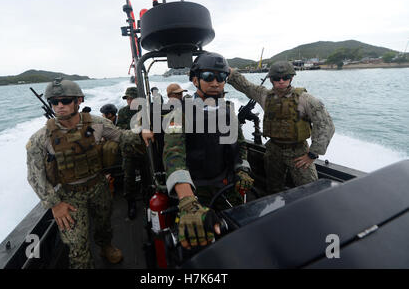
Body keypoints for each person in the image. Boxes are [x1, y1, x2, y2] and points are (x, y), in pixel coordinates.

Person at [26, 78, 152, 268]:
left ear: (79, 101)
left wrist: (141, 134)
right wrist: (55, 204)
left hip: (98, 186)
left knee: (104, 225)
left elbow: (121, 136)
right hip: (69, 195)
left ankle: (106, 246)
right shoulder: (41, 138)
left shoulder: (96, 124)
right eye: (55, 102)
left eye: (66, 100)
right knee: (77, 245)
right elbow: (35, 176)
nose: (60, 106)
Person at [161, 52, 254, 250]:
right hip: (194, 193)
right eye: (208, 77)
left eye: (221, 77)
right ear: (195, 80)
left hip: (227, 186)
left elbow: (240, 146)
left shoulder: (228, 110)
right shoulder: (177, 115)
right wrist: (187, 202)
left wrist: (242, 169)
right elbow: (173, 155)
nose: (215, 83)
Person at [227, 61, 335, 194]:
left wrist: (313, 153)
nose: (281, 81)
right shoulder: (265, 96)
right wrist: (230, 72)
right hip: (274, 150)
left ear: (292, 78)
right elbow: (246, 86)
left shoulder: (305, 99)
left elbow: (325, 124)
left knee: (310, 189)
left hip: (299, 152)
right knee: (273, 188)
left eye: (286, 78)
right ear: (271, 80)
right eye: (277, 78)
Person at [117, 87, 150, 220]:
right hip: (129, 151)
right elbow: (119, 129)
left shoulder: (145, 111)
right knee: (129, 178)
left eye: (132, 98)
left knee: (147, 176)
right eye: (128, 98)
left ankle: (147, 199)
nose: (129, 101)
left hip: (144, 150)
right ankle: (131, 204)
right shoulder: (123, 112)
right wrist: (136, 129)